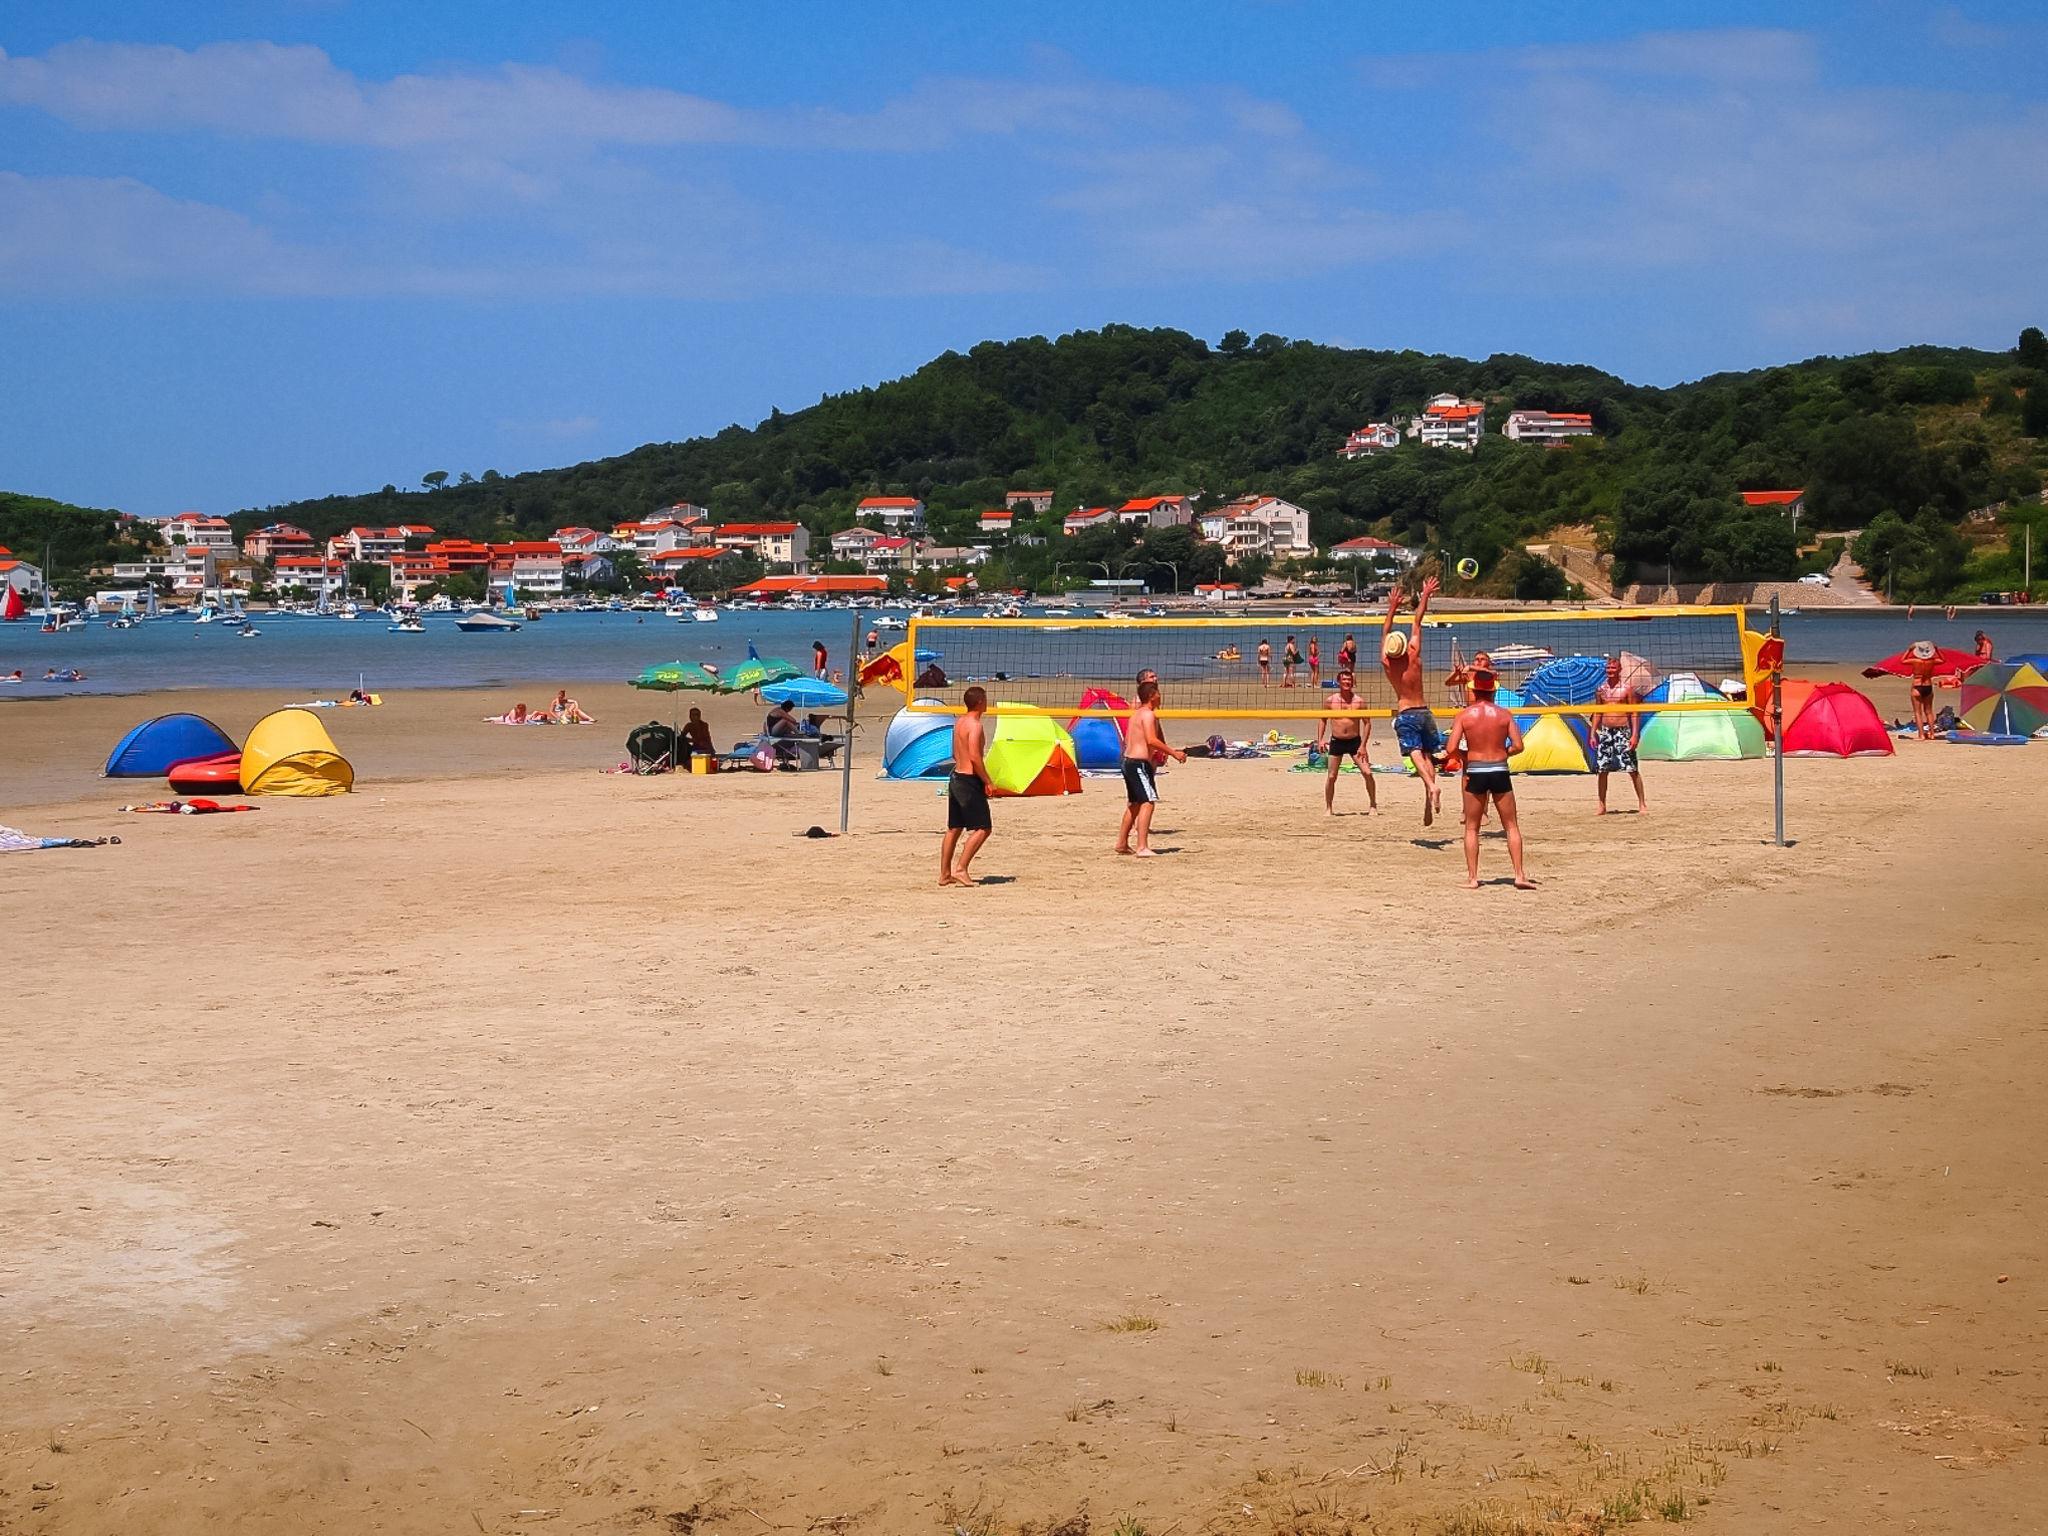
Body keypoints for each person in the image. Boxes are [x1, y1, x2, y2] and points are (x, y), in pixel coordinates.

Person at [1441, 669, 1534, 890]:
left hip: (1476, 770)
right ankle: (1519, 875)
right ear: (1493, 690)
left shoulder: (1464, 715)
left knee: (1472, 828)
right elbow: (1519, 746)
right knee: (1511, 825)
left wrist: (1466, 756)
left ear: (1474, 690)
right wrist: (1503, 753)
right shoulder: (1504, 714)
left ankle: (1473, 878)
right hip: (1499, 768)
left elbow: (1450, 748)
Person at [1380, 574, 1443, 826]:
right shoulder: (1414, 656)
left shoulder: (1386, 664)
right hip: (1425, 712)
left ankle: (1430, 786)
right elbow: (1417, 621)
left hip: (1406, 712)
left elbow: (1384, 633)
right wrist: (1425, 593)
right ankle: (1429, 795)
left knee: (1414, 752)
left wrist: (1391, 608)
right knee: (1428, 756)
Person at [1117, 679, 1185, 857]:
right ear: (1151, 696)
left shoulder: (1136, 714)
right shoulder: (1148, 715)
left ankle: (1122, 843)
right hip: (1138, 764)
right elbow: (1151, 739)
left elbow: (1128, 740)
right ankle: (1142, 847)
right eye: (1158, 693)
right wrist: (1173, 753)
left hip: (1128, 761)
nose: (1160, 697)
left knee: (1134, 804)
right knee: (1148, 802)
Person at [941, 686, 994, 886]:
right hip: (968, 780)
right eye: (986, 698)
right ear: (980, 702)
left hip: (955, 776)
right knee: (983, 828)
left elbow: (955, 754)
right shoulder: (975, 725)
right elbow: (974, 756)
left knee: (954, 828)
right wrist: (987, 781)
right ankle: (961, 868)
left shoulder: (959, 722)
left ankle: (945, 874)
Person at [1589, 655, 1647, 815]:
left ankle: (1642, 804)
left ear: (1619, 670)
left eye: (1613, 668)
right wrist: (1593, 733)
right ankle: (1601, 805)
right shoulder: (1601, 689)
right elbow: (1597, 712)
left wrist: (1635, 734)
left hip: (1623, 731)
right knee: (1602, 769)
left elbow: (1635, 712)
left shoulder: (1627, 689)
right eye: (1608, 668)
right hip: (1606, 732)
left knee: (1632, 769)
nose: (1610, 671)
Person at [1315, 669, 1376, 815]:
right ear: (1339, 682)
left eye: (1350, 680)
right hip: (1337, 742)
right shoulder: (1330, 701)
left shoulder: (1359, 701)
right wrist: (1320, 740)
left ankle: (1373, 805)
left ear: (1353, 682)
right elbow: (1322, 720)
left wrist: (1363, 746)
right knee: (1331, 776)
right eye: (1344, 680)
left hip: (1355, 742)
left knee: (1367, 773)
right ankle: (1329, 808)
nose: (1347, 682)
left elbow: (1367, 723)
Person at [1907, 639, 1940, 741]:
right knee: (1929, 712)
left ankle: (1921, 735)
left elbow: (1902, 660)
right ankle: (1932, 734)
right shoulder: (1932, 661)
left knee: (1918, 712)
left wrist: (1909, 650)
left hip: (1917, 686)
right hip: (1928, 686)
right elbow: (1943, 660)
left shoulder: (1915, 661)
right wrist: (1937, 650)